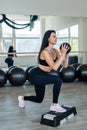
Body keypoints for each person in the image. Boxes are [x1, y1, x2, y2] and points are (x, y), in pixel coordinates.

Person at [18, 30, 70, 113]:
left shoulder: (55, 51)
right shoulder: (45, 52)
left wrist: (66, 54)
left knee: (39, 99)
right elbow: (55, 67)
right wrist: (63, 54)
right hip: (36, 75)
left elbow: (65, 65)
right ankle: (54, 105)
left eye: (56, 36)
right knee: (58, 80)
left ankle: (22, 98)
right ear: (48, 39)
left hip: (43, 75)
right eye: (54, 36)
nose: (56, 38)